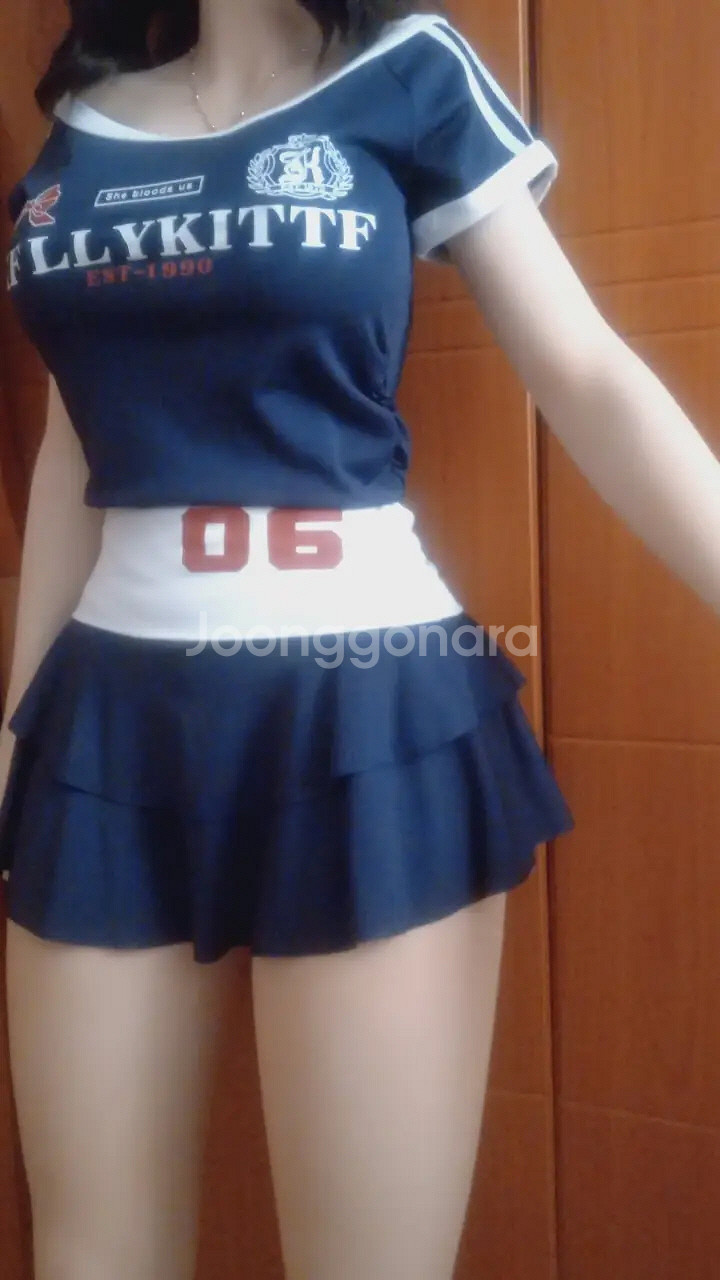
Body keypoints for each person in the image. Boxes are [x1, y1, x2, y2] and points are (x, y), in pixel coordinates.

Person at [1, 1, 719, 1277]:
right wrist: (16, 739)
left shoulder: (410, 73)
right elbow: (72, 445)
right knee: (91, 1251)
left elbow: (588, 372)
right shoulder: (83, 125)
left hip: (363, 710)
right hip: (105, 726)